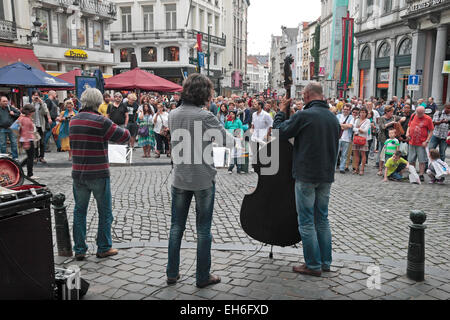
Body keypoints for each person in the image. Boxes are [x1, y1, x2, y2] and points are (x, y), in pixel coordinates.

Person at [167, 73, 234, 288]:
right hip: (203, 178)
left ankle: (172, 272)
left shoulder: (173, 114)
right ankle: (202, 276)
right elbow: (227, 141)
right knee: (203, 230)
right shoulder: (205, 116)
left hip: (179, 177)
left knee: (176, 227)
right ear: (204, 94)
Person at [273, 82, 340, 277]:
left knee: (307, 222)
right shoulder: (332, 118)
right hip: (326, 175)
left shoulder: (305, 115)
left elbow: (279, 132)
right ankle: (325, 262)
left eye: (303, 95)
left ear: (309, 95)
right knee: (323, 219)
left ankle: (312, 265)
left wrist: (280, 111)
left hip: (306, 175)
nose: (302, 97)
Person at [69, 88, 130, 261]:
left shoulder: (73, 120)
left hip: (78, 173)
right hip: (98, 173)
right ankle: (103, 247)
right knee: (105, 212)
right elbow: (124, 136)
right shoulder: (100, 121)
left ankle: (79, 249)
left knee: (79, 211)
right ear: (98, 102)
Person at [406, 106, 434, 182]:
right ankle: (413, 173)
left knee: (422, 160)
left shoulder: (428, 119)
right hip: (412, 141)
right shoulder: (413, 115)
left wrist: (427, 141)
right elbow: (409, 125)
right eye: (417, 113)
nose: (418, 114)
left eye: (420, 113)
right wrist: (407, 133)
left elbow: (431, 131)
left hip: (421, 143)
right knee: (411, 159)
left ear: (424, 112)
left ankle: (421, 174)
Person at [31, 91, 52, 163]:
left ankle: (42, 157)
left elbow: (45, 112)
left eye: (37, 96)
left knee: (42, 142)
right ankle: (35, 157)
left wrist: (41, 103)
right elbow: (29, 111)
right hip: (34, 125)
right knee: (35, 142)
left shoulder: (43, 104)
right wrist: (33, 102)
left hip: (41, 125)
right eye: (35, 95)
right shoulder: (31, 104)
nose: (36, 97)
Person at [18, 104, 37, 179]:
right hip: (27, 139)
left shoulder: (23, 118)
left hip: (26, 139)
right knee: (30, 157)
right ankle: (30, 173)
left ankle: (19, 167)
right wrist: (26, 142)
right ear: (30, 112)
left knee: (30, 156)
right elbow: (25, 132)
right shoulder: (26, 119)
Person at [0, 96, 20, 160]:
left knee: (13, 143)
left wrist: (13, 114)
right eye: (4, 101)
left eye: (6, 101)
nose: (6, 102)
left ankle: (15, 157)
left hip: (11, 128)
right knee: (2, 144)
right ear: (0, 102)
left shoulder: (10, 107)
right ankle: (3, 157)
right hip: (2, 128)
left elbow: (19, 114)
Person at [352, 108, 370, 175]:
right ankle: (356, 168)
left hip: (363, 139)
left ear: (366, 113)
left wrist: (358, 129)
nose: (362, 114)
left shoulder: (367, 121)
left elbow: (365, 130)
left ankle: (362, 169)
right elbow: (353, 128)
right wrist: (359, 129)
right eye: (361, 112)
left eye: (364, 112)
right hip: (356, 138)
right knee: (356, 154)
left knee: (363, 154)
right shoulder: (357, 120)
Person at [336, 104, 353, 174]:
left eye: (347, 109)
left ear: (349, 110)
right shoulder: (338, 116)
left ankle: (342, 168)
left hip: (346, 138)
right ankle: (333, 167)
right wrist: (345, 126)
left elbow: (350, 126)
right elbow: (335, 124)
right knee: (335, 154)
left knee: (344, 154)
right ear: (342, 109)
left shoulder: (351, 117)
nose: (345, 111)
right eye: (344, 109)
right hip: (338, 137)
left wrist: (341, 125)